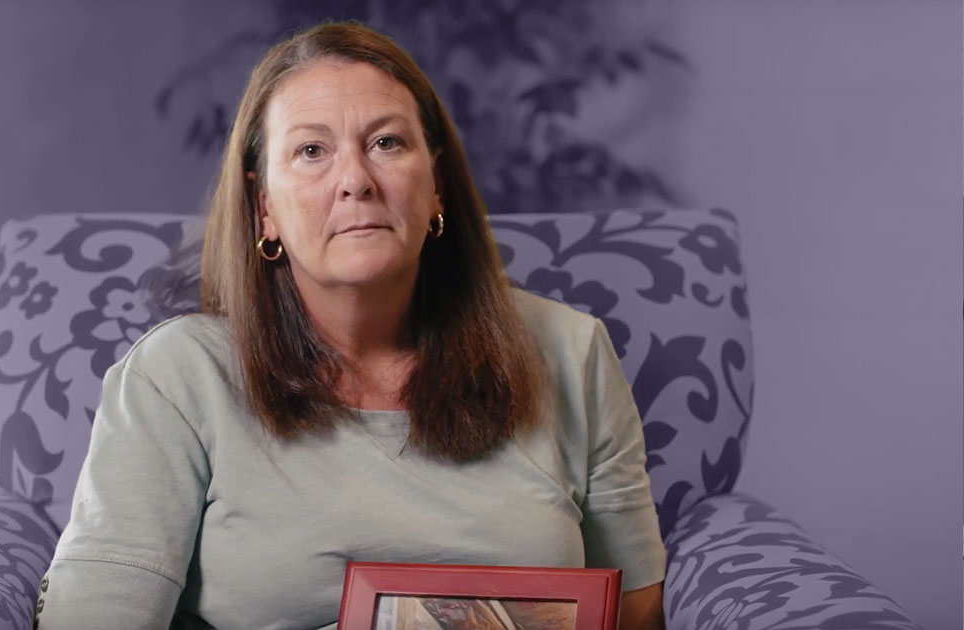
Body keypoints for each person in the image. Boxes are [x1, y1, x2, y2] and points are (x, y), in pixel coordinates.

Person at [35, 21, 666, 630]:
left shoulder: (571, 351)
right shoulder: (176, 378)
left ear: (437, 186)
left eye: (387, 143)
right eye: (311, 151)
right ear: (264, 208)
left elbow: (638, 615)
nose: (356, 181)